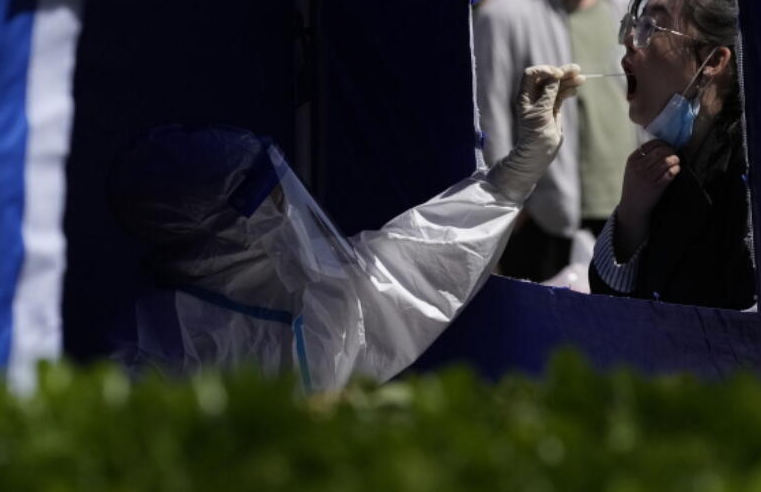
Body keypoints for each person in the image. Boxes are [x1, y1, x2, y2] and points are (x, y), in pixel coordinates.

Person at [110, 65, 582, 391]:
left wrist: (516, 174)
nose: (285, 200)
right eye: (264, 194)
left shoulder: (298, 285)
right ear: (214, 225)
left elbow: (414, 264)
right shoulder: (162, 344)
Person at [473, 0, 637, 283]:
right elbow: (489, 116)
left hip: (629, 211)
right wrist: (513, 206)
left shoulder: (627, 5)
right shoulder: (503, 15)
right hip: (548, 222)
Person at [588, 0, 756, 309]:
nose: (629, 42)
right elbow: (610, 309)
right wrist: (631, 216)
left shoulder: (752, 177)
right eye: (633, 27)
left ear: (712, 61)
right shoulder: (664, 169)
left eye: (652, 27)